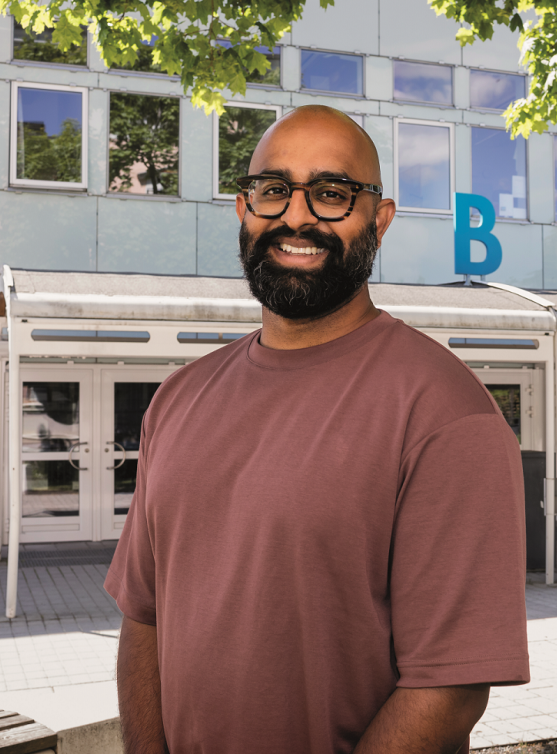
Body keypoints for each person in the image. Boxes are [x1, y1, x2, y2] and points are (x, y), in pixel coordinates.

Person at [105, 105, 529, 754]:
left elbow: (449, 685)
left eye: (331, 193)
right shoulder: (177, 399)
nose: (296, 216)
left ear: (378, 221)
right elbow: (144, 615)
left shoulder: (446, 414)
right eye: (273, 189)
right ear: (244, 211)